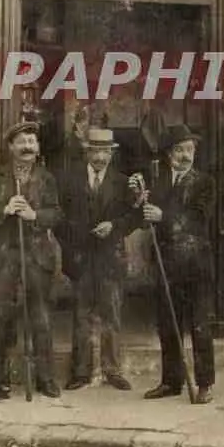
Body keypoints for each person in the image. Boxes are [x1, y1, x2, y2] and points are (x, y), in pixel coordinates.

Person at [0, 121, 62, 400]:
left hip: (36, 256)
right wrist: (5, 209)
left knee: (41, 319)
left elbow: (56, 214)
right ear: (11, 146)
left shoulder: (47, 178)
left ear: (38, 148)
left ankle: (46, 379)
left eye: (32, 142)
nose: (27, 147)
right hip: (3, 257)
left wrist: (34, 216)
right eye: (22, 142)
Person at [132, 124, 216, 405]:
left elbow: (197, 218)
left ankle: (204, 384)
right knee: (168, 325)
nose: (185, 155)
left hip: (196, 266)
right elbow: (146, 221)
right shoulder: (159, 182)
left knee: (200, 326)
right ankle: (171, 381)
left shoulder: (204, 182)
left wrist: (163, 216)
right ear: (169, 154)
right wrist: (140, 203)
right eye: (180, 150)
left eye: (190, 149)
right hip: (167, 266)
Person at [56, 127, 143, 390]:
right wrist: (77, 238)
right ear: (87, 152)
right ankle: (81, 372)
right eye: (95, 151)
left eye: (105, 151)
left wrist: (114, 227)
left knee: (111, 314)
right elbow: (57, 218)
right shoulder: (69, 181)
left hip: (110, 258)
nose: (100, 157)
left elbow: (134, 217)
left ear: (111, 154)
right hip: (81, 257)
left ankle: (112, 370)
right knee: (81, 314)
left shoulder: (122, 182)